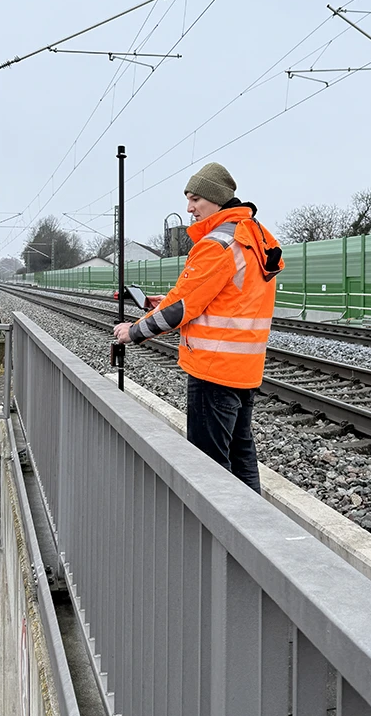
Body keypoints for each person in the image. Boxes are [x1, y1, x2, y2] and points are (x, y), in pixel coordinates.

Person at [113, 162, 283, 493]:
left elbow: (181, 308)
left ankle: (221, 526)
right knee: (241, 455)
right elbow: (222, 297)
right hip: (244, 368)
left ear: (215, 199)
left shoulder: (216, 244)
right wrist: (159, 304)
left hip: (213, 370)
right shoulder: (252, 235)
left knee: (211, 468)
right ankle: (251, 521)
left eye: (195, 199)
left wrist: (133, 331)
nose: (189, 208)